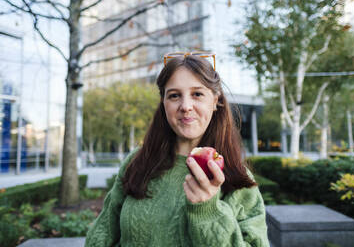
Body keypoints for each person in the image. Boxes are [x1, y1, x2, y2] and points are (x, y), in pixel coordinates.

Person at [85, 52, 270, 247]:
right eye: (174, 96)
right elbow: (103, 232)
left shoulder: (237, 178)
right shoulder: (138, 161)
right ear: (163, 103)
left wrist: (208, 211)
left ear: (215, 101)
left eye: (197, 94)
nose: (186, 106)